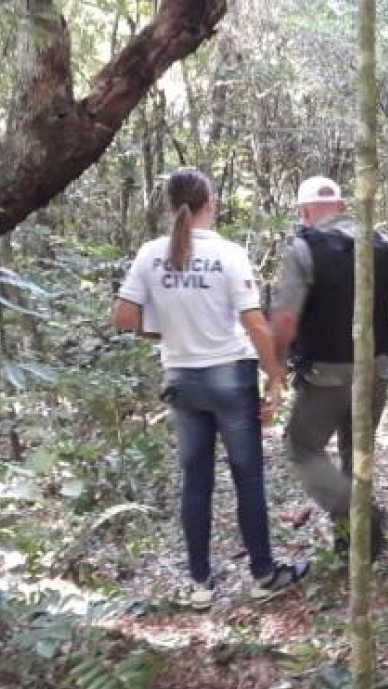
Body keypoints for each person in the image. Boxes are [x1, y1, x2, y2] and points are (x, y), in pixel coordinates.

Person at [112, 167, 307, 610]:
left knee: (195, 482)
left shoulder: (150, 254)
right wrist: (275, 376)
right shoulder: (228, 254)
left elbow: (123, 317)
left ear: (168, 205)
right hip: (229, 376)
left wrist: (166, 332)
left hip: (181, 378)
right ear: (210, 203)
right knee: (247, 478)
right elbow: (254, 323)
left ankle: (200, 583)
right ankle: (262, 574)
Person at [270, 175, 388, 561]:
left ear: (305, 212)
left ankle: (359, 519)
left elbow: (286, 320)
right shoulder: (381, 244)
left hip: (326, 376)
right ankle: (356, 545)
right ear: (340, 207)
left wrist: (273, 365)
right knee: (357, 453)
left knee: (302, 447)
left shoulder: (302, 248)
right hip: (374, 370)